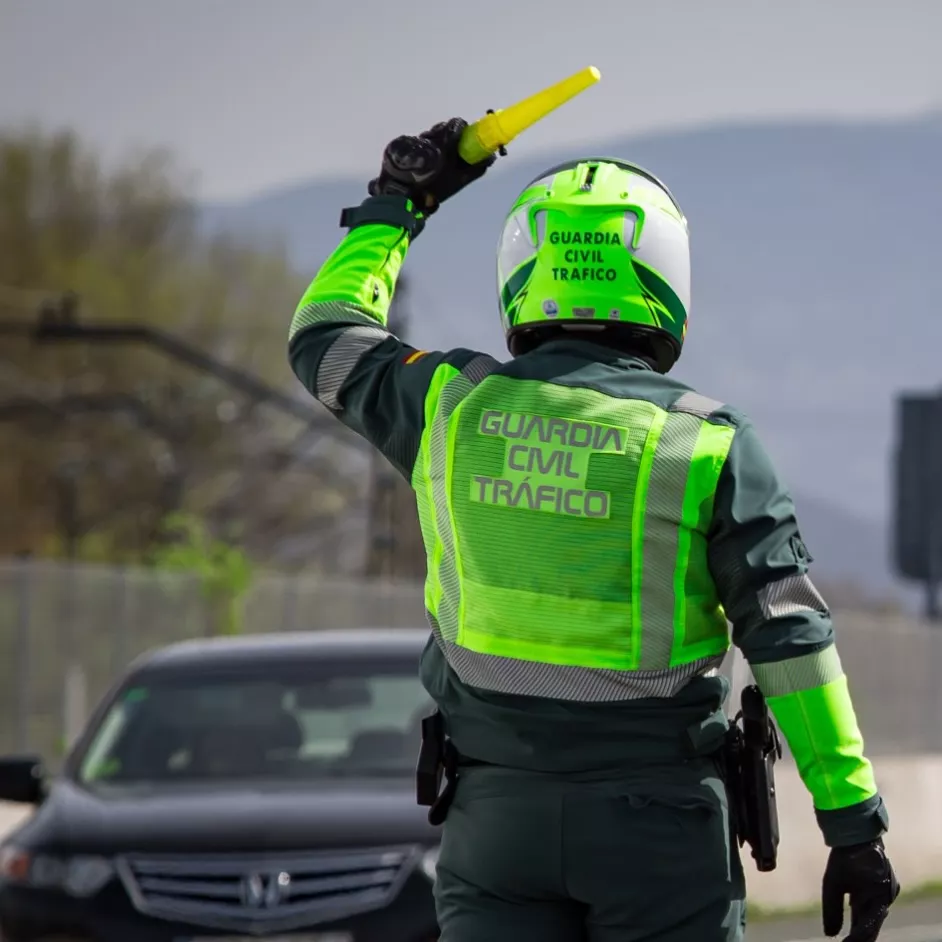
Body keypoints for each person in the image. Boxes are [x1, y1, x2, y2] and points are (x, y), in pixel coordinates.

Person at [287, 118, 899, 942]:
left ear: (523, 276)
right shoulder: (707, 442)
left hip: (496, 823)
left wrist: (398, 205)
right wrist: (852, 824)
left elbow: (324, 338)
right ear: (663, 279)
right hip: (659, 831)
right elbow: (791, 639)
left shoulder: (448, 406)